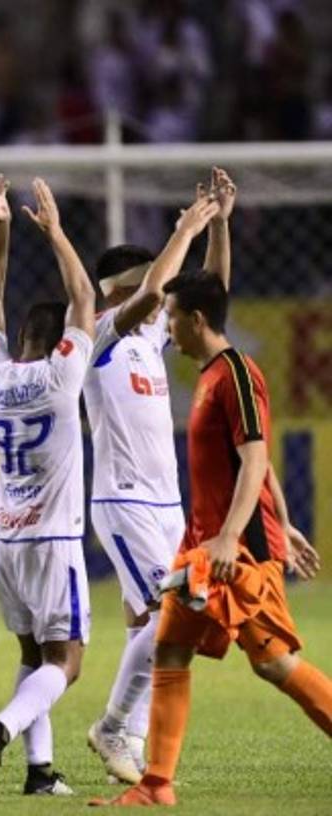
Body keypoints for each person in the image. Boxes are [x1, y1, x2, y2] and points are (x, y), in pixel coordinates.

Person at [92, 270, 330, 807]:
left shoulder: (238, 374)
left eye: (171, 316)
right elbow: (256, 459)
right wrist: (284, 521)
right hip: (203, 549)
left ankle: (154, 780)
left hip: (238, 552)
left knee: (273, 664)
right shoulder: (209, 374)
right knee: (171, 648)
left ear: (196, 320)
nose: (166, 327)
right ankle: (157, 785)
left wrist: (237, 535)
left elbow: (255, 457)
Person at [83, 170, 229, 782]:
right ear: (123, 290)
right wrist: (184, 228)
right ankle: (115, 728)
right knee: (176, 613)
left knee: (156, 624)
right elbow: (150, 295)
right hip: (124, 501)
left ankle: (126, 734)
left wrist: (217, 224)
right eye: (153, 286)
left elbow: (211, 291)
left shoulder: (151, 341)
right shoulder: (100, 337)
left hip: (168, 503)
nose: (165, 299)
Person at [0, 174, 95, 796]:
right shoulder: (62, 376)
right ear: (59, 338)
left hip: (5, 539)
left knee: (31, 655)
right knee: (66, 662)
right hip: (54, 537)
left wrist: (2, 228)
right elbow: (84, 297)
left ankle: (40, 774)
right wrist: (56, 233)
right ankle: (1, 728)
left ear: (19, 338)